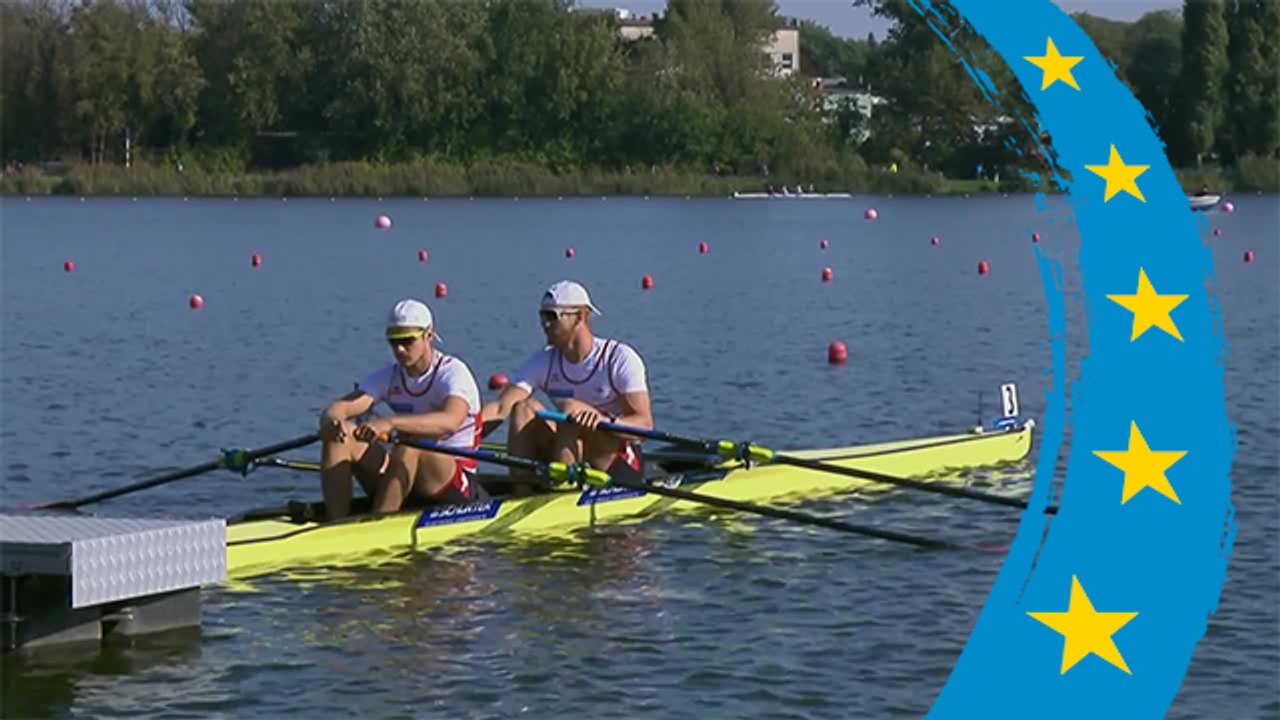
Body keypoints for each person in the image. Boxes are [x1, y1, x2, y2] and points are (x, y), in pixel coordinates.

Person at [318, 299, 485, 520]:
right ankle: (335, 524)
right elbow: (340, 407)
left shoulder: (453, 373)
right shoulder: (389, 376)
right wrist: (332, 421)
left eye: (407, 341)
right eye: (393, 342)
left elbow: (450, 421)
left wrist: (391, 423)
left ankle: (378, 526)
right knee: (343, 436)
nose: (399, 349)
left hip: (454, 481)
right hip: (405, 473)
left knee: (410, 442)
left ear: (429, 336)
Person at [481, 280, 653, 491]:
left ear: (579, 317)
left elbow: (644, 425)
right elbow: (501, 408)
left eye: (552, 316)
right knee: (523, 408)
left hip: (616, 459)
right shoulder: (544, 360)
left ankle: (561, 488)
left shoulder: (619, 358)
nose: (545, 324)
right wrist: (458, 435)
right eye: (542, 316)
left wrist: (602, 420)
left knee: (569, 408)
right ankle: (522, 490)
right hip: (573, 453)